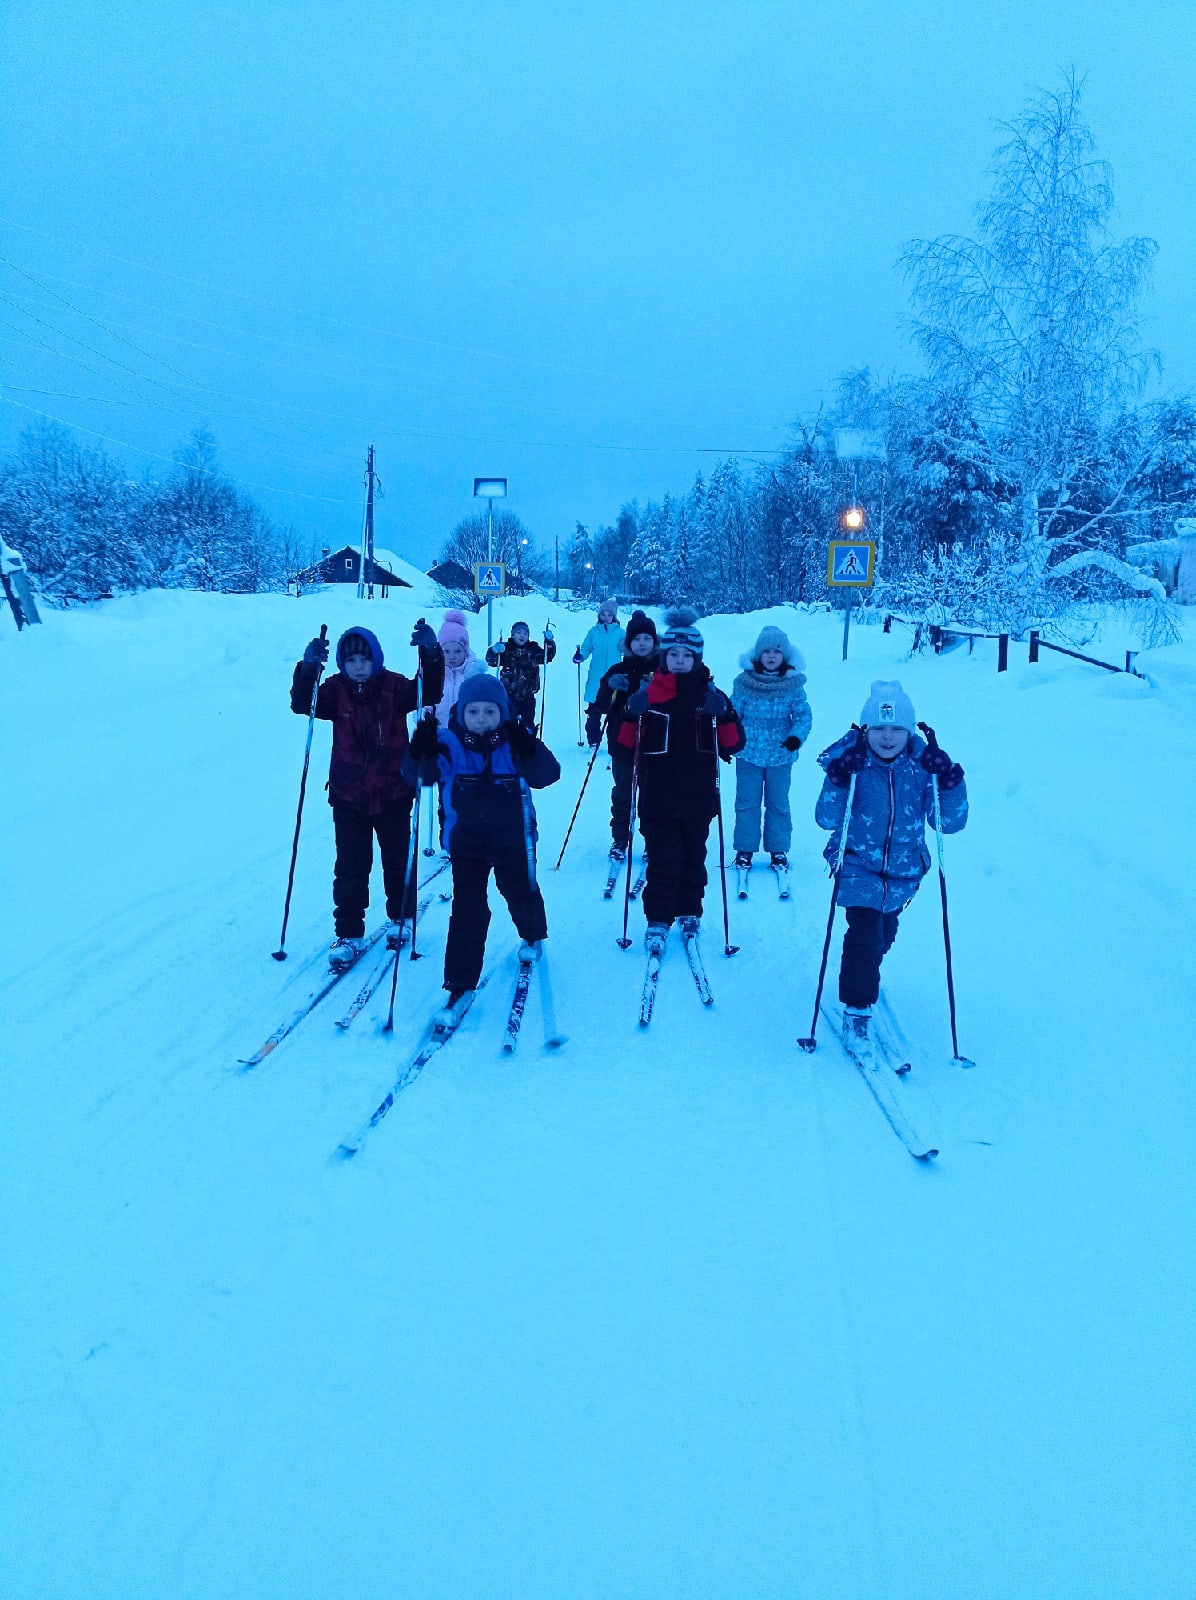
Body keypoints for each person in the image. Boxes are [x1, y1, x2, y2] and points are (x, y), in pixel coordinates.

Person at [814, 680, 967, 1056]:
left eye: (897, 728)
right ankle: (857, 1007)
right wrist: (837, 777)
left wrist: (949, 782)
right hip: (857, 864)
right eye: (879, 728)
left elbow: (949, 823)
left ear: (909, 730)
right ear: (867, 729)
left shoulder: (923, 766)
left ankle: (864, 971)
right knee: (863, 935)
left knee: (882, 935)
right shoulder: (853, 762)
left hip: (903, 871)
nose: (887, 737)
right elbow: (825, 817)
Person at [407, 673, 561, 1023]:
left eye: (489, 712)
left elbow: (548, 775)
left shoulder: (513, 741)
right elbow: (418, 777)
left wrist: (529, 746)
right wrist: (420, 749)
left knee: (520, 891)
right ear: (461, 713)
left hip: (512, 840)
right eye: (473, 712)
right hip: (467, 842)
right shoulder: (448, 743)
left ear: (502, 712)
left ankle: (533, 934)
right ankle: (459, 983)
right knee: (468, 909)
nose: (481, 719)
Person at [291, 621, 444, 970]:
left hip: (393, 792)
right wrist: (308, 667)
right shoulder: (333, 691)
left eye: (364, 659)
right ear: (342, 664)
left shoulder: (394, 688)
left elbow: (429, 691)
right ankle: (349, 932)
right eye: (351, 660)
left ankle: (401, 917)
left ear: (376, 658)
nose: (358, 666)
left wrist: (431, 654)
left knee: (396, 860)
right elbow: (303, 704)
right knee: (350, 866)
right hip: (348, 796)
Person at [617, 607, 744, 953]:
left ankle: (690, 910)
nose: (679, 660)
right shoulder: (650, 693)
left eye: (687, 655)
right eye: (672, 654)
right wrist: (632, 712)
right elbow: (626, 744)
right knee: (662, 858)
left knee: (692, 856)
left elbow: (733, 744)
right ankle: (658, 918)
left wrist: (727, 713)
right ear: (663, 655)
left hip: (698, 796)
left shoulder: (710, 696)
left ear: (697, 658)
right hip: (657, 796)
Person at [730, 624, 812, 875]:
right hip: (749, 753)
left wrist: (795, 738)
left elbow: (802, 716)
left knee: (778, 803)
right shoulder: (745, 683)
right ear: (758, 655)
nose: (772, 655)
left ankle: (778, 848)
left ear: (784, 655)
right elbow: (733, 715)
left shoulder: (793, 685)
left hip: (780, 754)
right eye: (766, 651)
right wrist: (729, 740)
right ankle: (745, 848)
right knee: (747, 802)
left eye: (777, 651)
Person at [592, 609, 659, 865]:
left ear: (654, 641)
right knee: (623, 791)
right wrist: (610, 688)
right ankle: (620, 837)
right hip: (622, 741)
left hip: (656, 744)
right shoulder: (617, 669)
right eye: (637, 639)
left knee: (652, 793)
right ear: (629, 643)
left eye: (647, 639)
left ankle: (652, 839)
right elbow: (601, 705)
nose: (642, 644)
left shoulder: (663, 669)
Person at [485, 620, 556, 729]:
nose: (522, 636)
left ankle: (527, 743)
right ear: (512, 635)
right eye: (518, 633)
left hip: (528, 696)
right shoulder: (506, 648)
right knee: (508, 723)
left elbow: (547, 657)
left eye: (525, 633)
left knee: (527, 724)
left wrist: (549, 642)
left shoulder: (533, 649)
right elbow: (492, 661)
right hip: (508, 695)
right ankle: (508, 744)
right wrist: (494, 651)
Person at [573, 599, 625, 747]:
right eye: (603, 614)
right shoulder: (594, 631)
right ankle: (593, 740)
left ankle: (615, 741)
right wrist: (580, 656)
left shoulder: (621, 632)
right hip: (596, 678)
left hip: (614, 678)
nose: (606, 617)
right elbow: (586, 647)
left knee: (615, 712)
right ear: (599, 615)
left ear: (614, 616)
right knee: (594, 713)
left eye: (610, 615)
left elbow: (626, 649)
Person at [433, 609, 482, 727]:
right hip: (438, 731)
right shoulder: (434, 675)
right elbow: (425, 703)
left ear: (465, 652)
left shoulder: (471, 676)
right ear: (440, 651)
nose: (452, 656)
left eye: (458, 651)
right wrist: (425, 717)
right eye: (447, 651)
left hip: (464, 731)